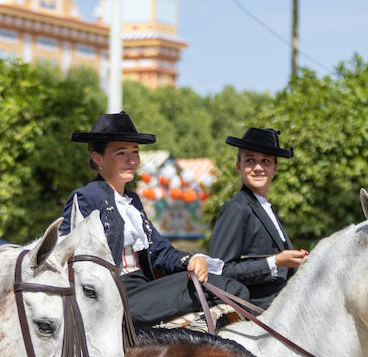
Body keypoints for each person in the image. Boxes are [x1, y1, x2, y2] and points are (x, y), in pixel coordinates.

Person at [61, 110, 248, 330]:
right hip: (111, 296)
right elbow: (65, 254)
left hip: (145, 290)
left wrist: (193, 260)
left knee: (230, 287)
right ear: (97, 158)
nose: (132, 160)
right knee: (223, 287)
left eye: (135, 152)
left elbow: (160, 252)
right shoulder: (86, 197)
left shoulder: (132, 200)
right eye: (121, 153)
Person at [209, 126, 308, 310]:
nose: (258, 167)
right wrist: (275, 262)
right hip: (255, 314)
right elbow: (220, 270)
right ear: (238, 166)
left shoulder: (265, 207)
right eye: (250, 160)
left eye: (265, 161)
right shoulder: (236, 208)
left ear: (275, 168)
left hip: (284, 309)